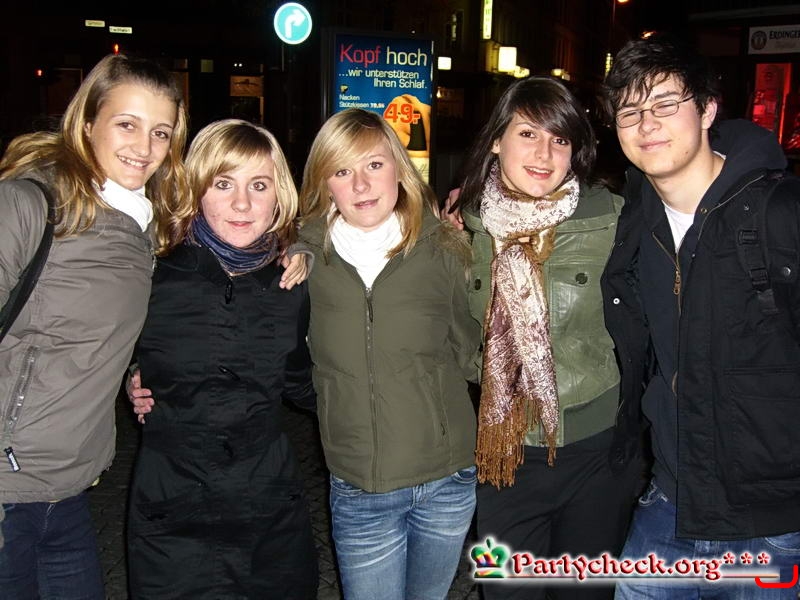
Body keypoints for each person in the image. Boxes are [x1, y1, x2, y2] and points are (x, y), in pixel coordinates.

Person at [601, 33, 800, 598]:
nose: (647, 123)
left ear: (708, 109)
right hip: (670, 504)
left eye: (665, 103)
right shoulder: (634, 222)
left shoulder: (781, 213)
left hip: (775, 523)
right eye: (630, 111)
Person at [445, 76, 643, 600]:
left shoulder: (613, 220)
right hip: (505, 453)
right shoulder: (461, 229)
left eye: (560, 139)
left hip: (596, 451)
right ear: (496, 140)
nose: (544, 153)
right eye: (528, 133)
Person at [0, 53, 189, 600]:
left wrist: (130, 369)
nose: (144, 147)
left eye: (160, 132)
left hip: (68, 490)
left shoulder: (142, 224)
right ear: (87, 123)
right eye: (127, 124)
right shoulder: (30, 204)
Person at [124, 119, 318, 599]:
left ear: (279, 196)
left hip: (269, 514)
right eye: (223, 184)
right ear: (196, 190)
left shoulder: (292, 283)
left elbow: (305, 383)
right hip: (174, 513)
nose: (242, 204)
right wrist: (130, 374)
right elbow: (98, 348)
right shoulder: (151, 273)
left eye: (259, 185)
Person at [297, 108, 481, 600]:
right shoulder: (302, 258)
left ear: (399, 168)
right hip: (361, 486)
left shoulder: (445, 248)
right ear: (324, 183)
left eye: (374, 165)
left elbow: (472, 350)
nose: (360, 185)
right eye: (342, 171)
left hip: (446, 478)